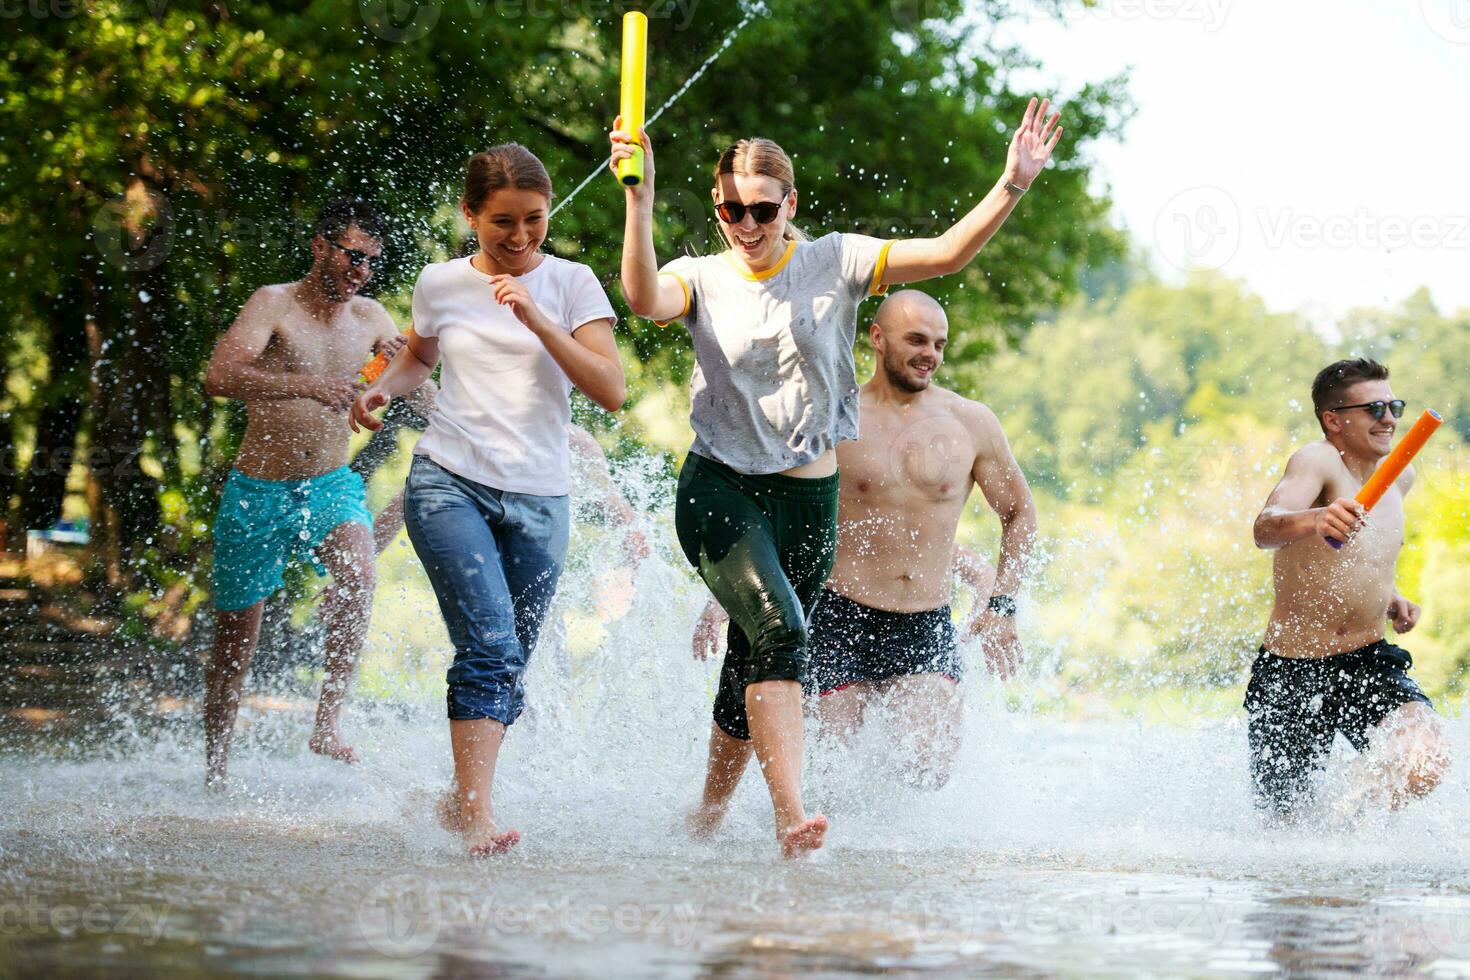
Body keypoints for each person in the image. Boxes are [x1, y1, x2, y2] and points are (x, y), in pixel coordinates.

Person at [610, 98, 1062, 857]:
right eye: (729, 209)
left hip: (807, 497)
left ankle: (710, 818)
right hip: (722, 483)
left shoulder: (839, 261)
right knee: (781, 633)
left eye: (761, 209)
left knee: (756, 667)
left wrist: (1011, 183)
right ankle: (793, 815)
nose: (745, 225)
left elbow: (949, 252)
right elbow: (643, 299)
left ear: (791, 205)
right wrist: (640, 196)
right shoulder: (700, 275)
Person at [351, 143, 625, 856]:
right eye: (502, 221)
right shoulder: (441, 282)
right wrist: (386, 385)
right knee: (491, 646)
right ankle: (477, 818)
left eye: (534, 220)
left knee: (511, 666)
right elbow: (418, 355)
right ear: (470, 213)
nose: (520, 237)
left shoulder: (572, 284)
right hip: (450, 482)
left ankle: (456, 800)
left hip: (542, 500)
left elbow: (610, 389)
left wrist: (538, 320)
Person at [691, 290, 1037, 803]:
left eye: (940, 344)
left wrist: (1004, 605)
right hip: (836, 615)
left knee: (928, 767)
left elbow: (1020, 515)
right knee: (830, 777)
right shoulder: (832, 415)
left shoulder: (971, 423)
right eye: (916, 340)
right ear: (877, 338)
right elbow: (772, 509)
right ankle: (811, 865)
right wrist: (729, 595)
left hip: (923, 622)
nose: (930, 354)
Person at [202, 198, 436, 789]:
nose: (360, 272)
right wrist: (310, 386)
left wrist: (405, 365)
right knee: (237, 642)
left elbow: (423, 401)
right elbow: (219, 376)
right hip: (258, 490)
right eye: (352, 256)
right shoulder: (272, 302)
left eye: (370, 263)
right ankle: (216, 768)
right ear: (320, 247)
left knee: (360, 573)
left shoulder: (371, 317)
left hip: (330, 485)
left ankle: (327, 724)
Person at [1248, 357, 1451, 818]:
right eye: (1374, 409)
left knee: (1425, 760)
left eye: (1394, 406)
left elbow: (1364, 555)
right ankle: (1315, 864)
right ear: (1333, 419)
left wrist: (1390, 593)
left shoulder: (1401, 475)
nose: (1390, 419)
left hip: (1367, 658)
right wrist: (1316, 517)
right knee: (1285, 827)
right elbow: (1265, 528)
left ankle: (1347, 830)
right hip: (1292, 671)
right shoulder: (1316, 460)